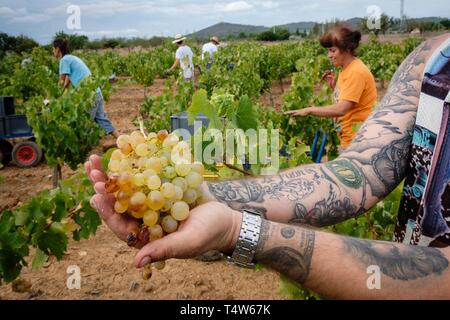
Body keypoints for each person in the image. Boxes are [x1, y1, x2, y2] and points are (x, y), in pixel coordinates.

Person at [86, 34, 450, 299]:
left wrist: (237, 232)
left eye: (333, 50)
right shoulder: (433, 58)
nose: (329, 56)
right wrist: (201, 195)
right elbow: (354, 175)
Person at [285, 26, 377, 151]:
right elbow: (349, 100)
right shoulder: (346, 69)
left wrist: (309, 110)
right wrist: (334, 86)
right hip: (349, 139)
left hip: (356, 143)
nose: (329, 55)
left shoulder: (356, 72)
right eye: (328, 51)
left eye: (333, 51)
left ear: (348, 49)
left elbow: (342, 109)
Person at [52, 38, 119, 139]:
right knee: (102, 119)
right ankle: (122, 140)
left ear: (57, 49)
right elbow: (66, 83)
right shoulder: (72, 58)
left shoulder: (64, 60)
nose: (52, 52)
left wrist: (52, 98)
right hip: (96, 92)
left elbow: (61, 83)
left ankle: (84, 148)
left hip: (89, 97)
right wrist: (61, 96)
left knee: (84, 125)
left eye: (53, 49)